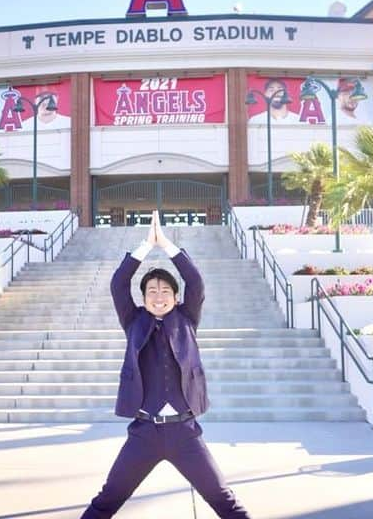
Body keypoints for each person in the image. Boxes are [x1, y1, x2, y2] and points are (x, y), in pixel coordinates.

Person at [81, 211, 250, 519]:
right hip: (144, 432)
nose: (158, 297)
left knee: (224, 500)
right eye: (152, 292)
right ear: (143, 298)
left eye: (165, 291)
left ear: (175, 296)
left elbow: (195, 280)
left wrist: (166, 244)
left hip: (185, 433)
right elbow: (119, 283)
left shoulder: (186, 318)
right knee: (107, 499)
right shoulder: (133, 321)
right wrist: (146, 246)